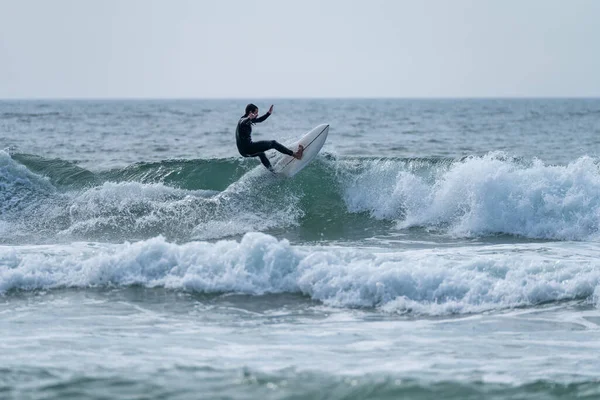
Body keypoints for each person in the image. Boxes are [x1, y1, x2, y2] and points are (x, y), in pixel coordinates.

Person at [235, 103, 303, 171]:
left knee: (261, 154)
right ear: (250, 112)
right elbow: (242, 122)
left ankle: (272, 171)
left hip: (243, 151)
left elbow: (259, 120)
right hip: (248, 148)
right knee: (273, 143)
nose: (257, 114)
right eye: (256, 113)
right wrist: (248, 118)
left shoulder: (248, 120)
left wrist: (268, 113)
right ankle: (296, 155)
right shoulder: (243, 120)